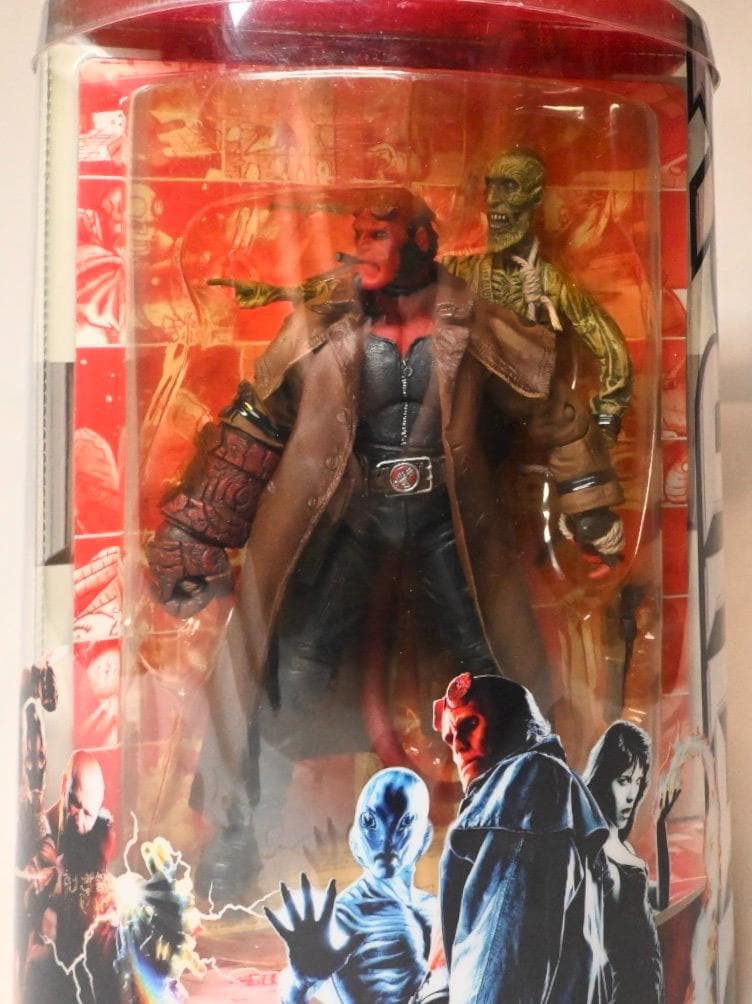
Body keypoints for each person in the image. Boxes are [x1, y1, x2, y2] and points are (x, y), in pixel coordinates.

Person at [147, 188, 624, 883]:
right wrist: (197, 527)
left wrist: (591, 507)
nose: (360, 248)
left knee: (495, 673)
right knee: (288, 670)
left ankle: (531, 823)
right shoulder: (323, 324)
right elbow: (255, 424)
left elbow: (553, 410)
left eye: (378, 235)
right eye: (357, 232)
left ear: (423, 241)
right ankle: (238, 826)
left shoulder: (474, 323)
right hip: (347, 516)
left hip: (448, 519)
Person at [433, 672, 611, 1003]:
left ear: (513, 721)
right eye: (450, 736)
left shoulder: (525, 784)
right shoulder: (553, 791)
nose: (457, 745)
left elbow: (497, 969)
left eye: (470, 724)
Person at [443, 148, 632, 443]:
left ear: (536, 197)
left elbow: (609, 345)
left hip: (535, 425)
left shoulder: (551, 282)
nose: (492, 200)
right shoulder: (459, 271)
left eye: (509, 186)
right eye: (491, 187)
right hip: (470, 423)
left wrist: (607, 418)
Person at [266, 767, 438, 1003]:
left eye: (405, 822)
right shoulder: (342, 917)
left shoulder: (435, 908)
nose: (386, 840)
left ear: (425, 837)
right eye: (370, 821)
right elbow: (295, 988)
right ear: (355, 838)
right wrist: (301, 983)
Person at [584, 721, 680, 1004]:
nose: (632, 795)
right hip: (628, 991)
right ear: (604, 778)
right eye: (624, 780)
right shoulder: (597, 851)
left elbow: (661, 899)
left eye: (637, 782)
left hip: (648, 988)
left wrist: (660, 826)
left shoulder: (624, 847)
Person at [23, 751, 118, 1004]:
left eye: (89, 813)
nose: (79, 818)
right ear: (64, 788)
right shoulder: (42, 832)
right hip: (49, 955)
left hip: (83, 951)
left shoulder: (101, 831)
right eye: (74, 803)